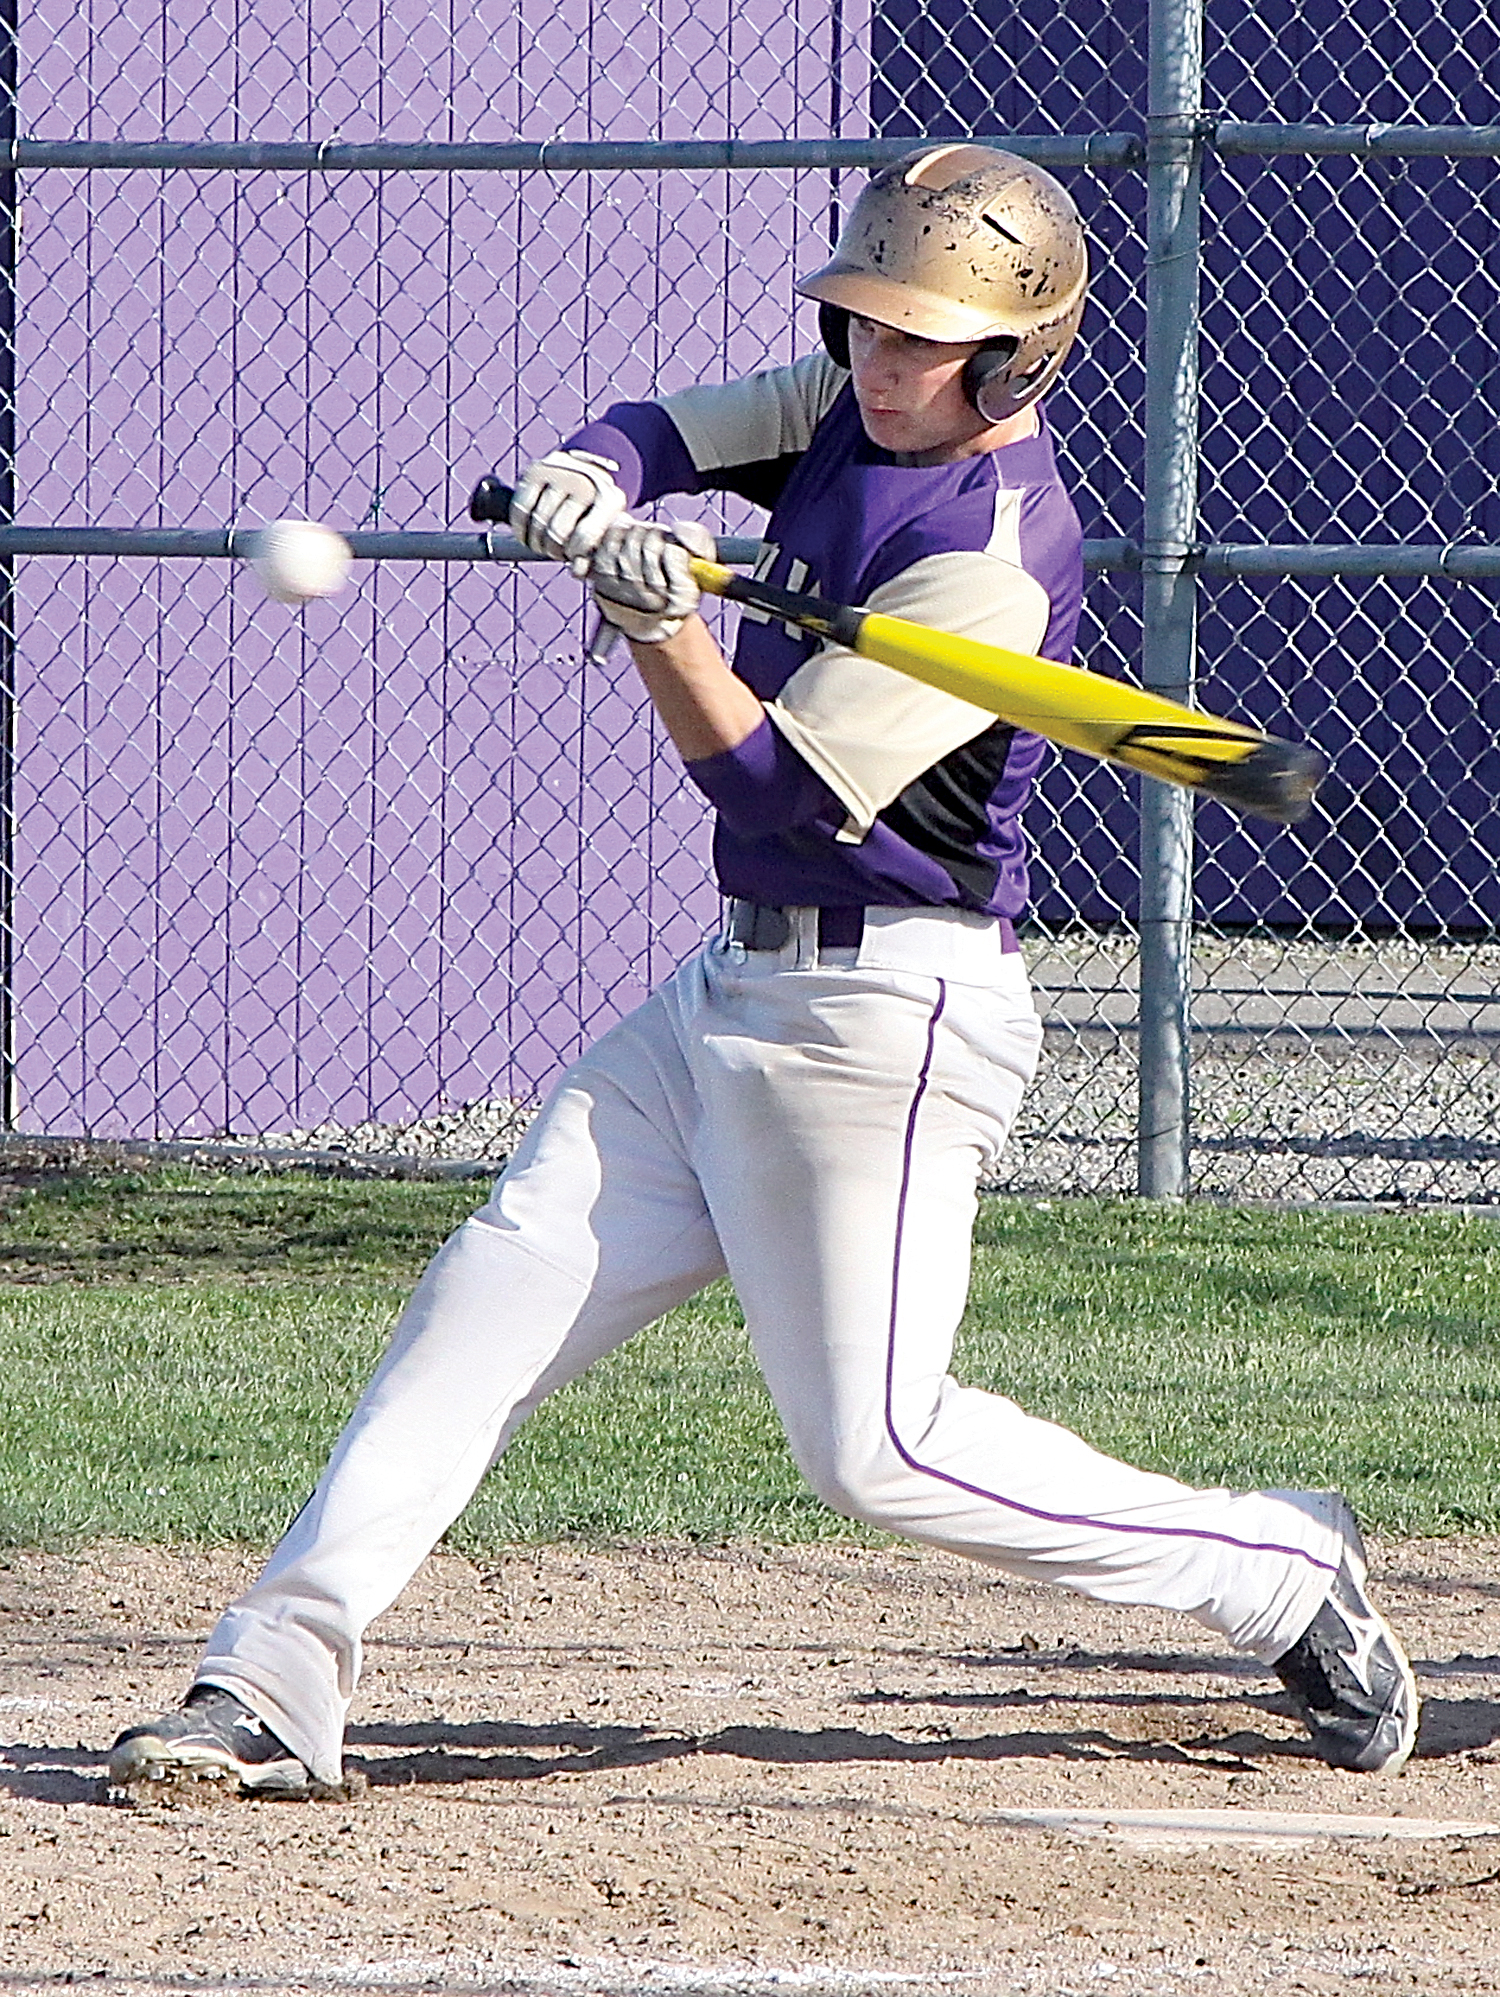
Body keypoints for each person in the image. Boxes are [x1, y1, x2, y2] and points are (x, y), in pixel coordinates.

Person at [109, 146, 1417, 1797]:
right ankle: (273, 1677)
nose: (879, 357)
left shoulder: (994, 558)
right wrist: (589, 479)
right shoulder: (847, 404)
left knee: (881, 1450)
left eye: (922, 338)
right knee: (484, 1298)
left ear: (1012, 362)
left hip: (885, 1019)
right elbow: (660, 432)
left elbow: (777, 789)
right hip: (723, 995)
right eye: (865, 319)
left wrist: (662, 629)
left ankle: (1276, 1567)